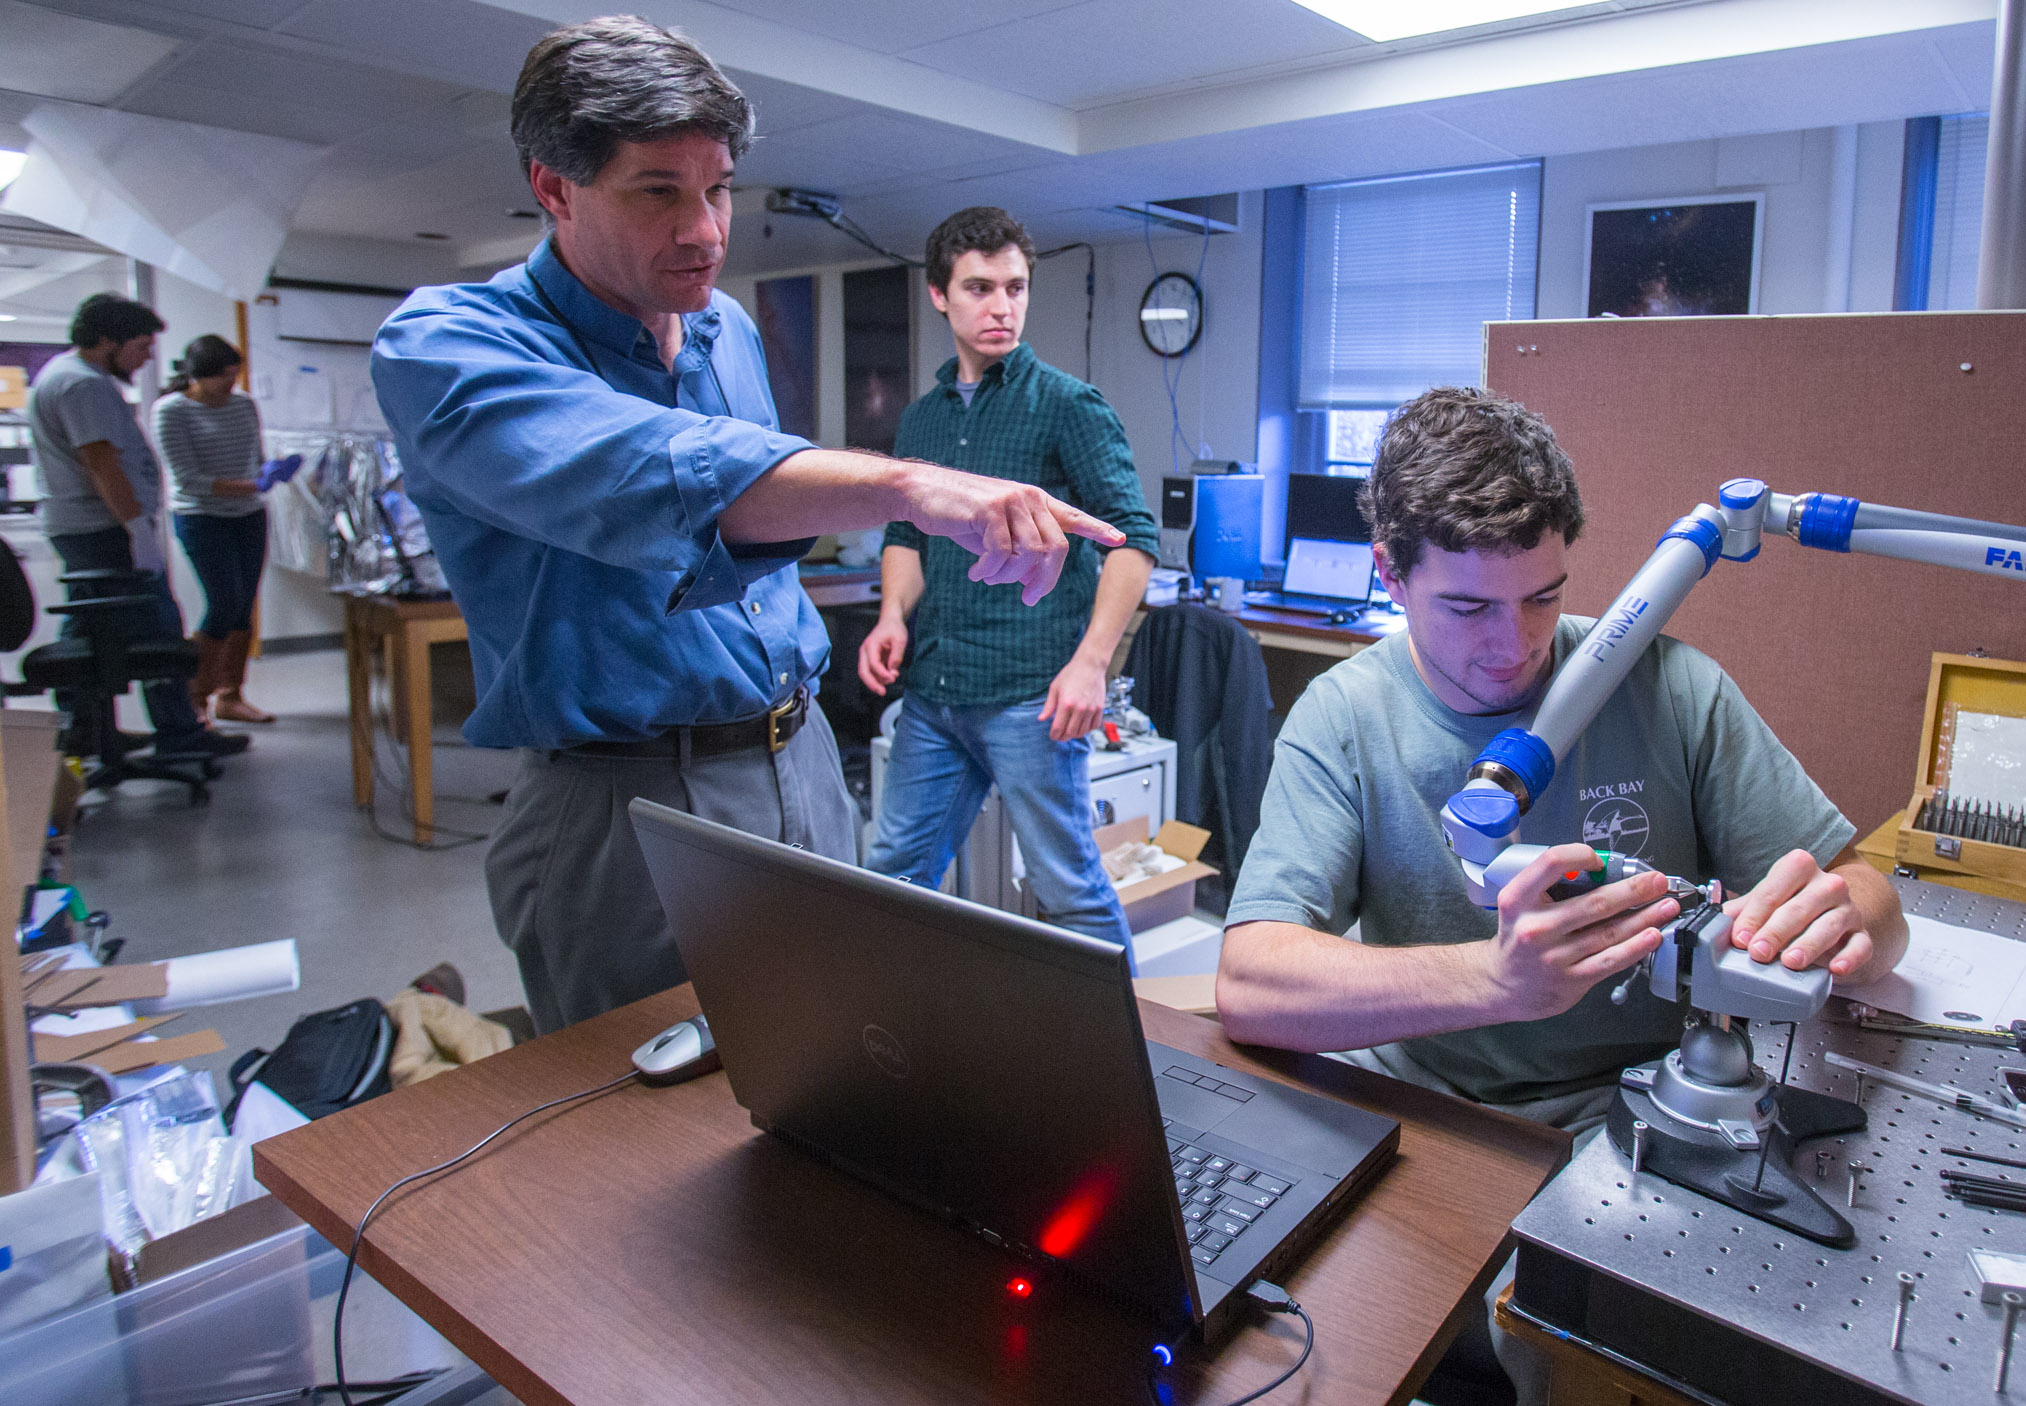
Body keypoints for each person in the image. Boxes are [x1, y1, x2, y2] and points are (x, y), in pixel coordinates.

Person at [370, 19, 1121, 1034]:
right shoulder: (450, 348)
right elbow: (663, 476)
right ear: (554, 185)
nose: (705, 230)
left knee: (835, 1060)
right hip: (628, 799)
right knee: (641, 1128)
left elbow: (762, 545)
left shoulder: (722, 329)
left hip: (796, 752)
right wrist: (913, 489)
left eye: (717, 187)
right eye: (657, 191)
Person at [1214, 387, 1910, 1398]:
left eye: (1542, 595)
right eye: (1467, 606)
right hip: (1427, 1114)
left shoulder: (1669, 684)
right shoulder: (1344, 717)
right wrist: (1496, 982)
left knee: (1618, 1358)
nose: (1517, 643)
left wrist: (1856, 919)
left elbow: (1869, 897)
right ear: (1389, 575)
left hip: (1641, 1121)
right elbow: (1249, 980)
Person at [857, 207, 1159, 954]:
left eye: (1015, 288)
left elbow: (1132, 540)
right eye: (980, 288)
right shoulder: (923, 421)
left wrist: (1092, 665)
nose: (1001, 307)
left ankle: (1121, 1063)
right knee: (889, 881)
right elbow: (905, 534)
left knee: (1068, 891)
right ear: (940, 295)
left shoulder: (1067, 407)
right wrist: (893, 614)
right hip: (935, 694)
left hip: (1032, 696)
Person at [27, 294, 249, 760]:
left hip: (89, 529)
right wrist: (138, 531)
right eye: (141, 344)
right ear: (108, 340)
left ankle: (83, 729)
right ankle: (180, 736)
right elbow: (102, 463)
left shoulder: (66, 375)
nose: (149, 355)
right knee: (159, 631)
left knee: (87, 630)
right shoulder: (82, 386)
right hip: (103, 530)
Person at [153, 334, 275, 724]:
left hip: (249, 515)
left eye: (234, 375)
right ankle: (196, 697)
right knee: (222, 602)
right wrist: (252, 485)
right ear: (198, 376)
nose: (231, 384)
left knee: (243, 607)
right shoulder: (171, 410)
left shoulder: (243, 406)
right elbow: (187, 478)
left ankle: (231, 696)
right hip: (202, 516)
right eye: (222, 377)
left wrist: (268, 475)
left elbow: (257, 459)